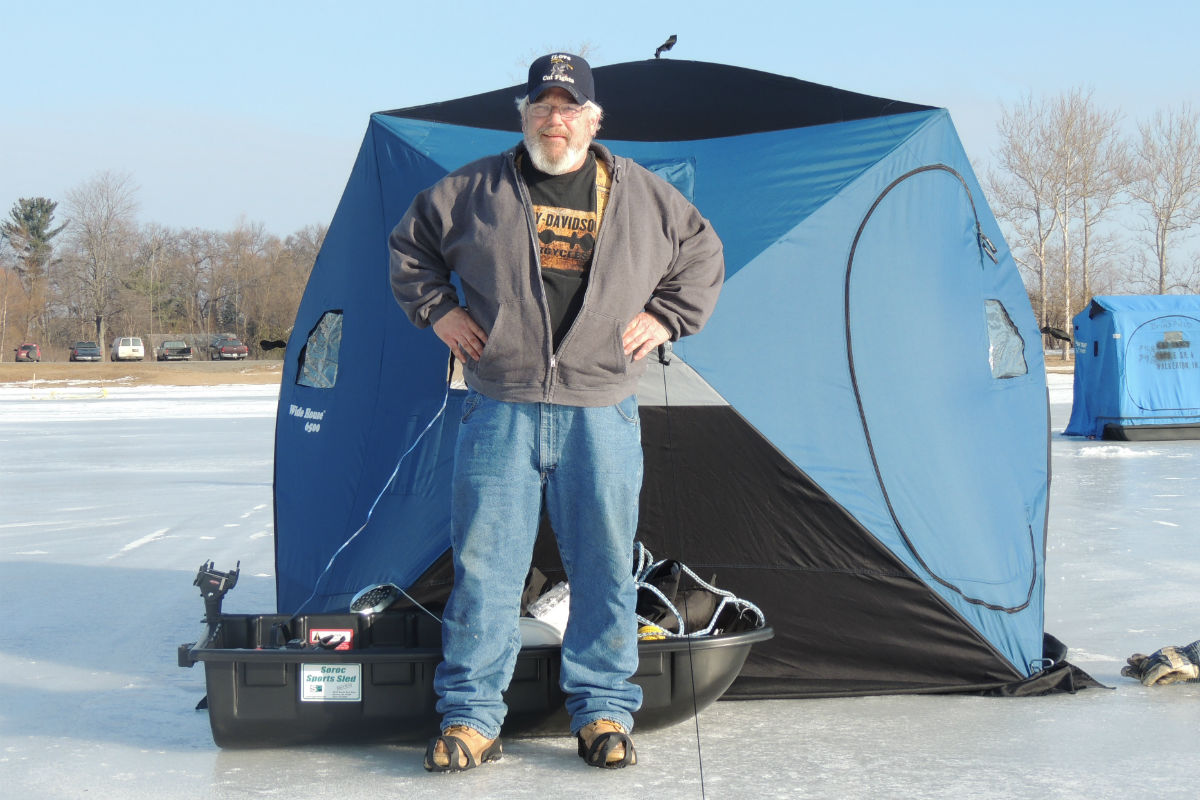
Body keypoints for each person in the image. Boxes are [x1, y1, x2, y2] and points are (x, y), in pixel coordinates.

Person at [388, 52, 724, 772]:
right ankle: (472, 717)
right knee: (486, 570)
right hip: (500, 407)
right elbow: (410, 248)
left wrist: (666, 317)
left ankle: (603, 710)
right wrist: (440, 312)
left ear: (593, 120)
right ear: (524, 116)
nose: (554, 119)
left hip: (600, 409)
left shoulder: (642, 195)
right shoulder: (471, 190)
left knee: (604, 569)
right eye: (542, 106)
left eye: (569, 108)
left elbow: (702, 253)